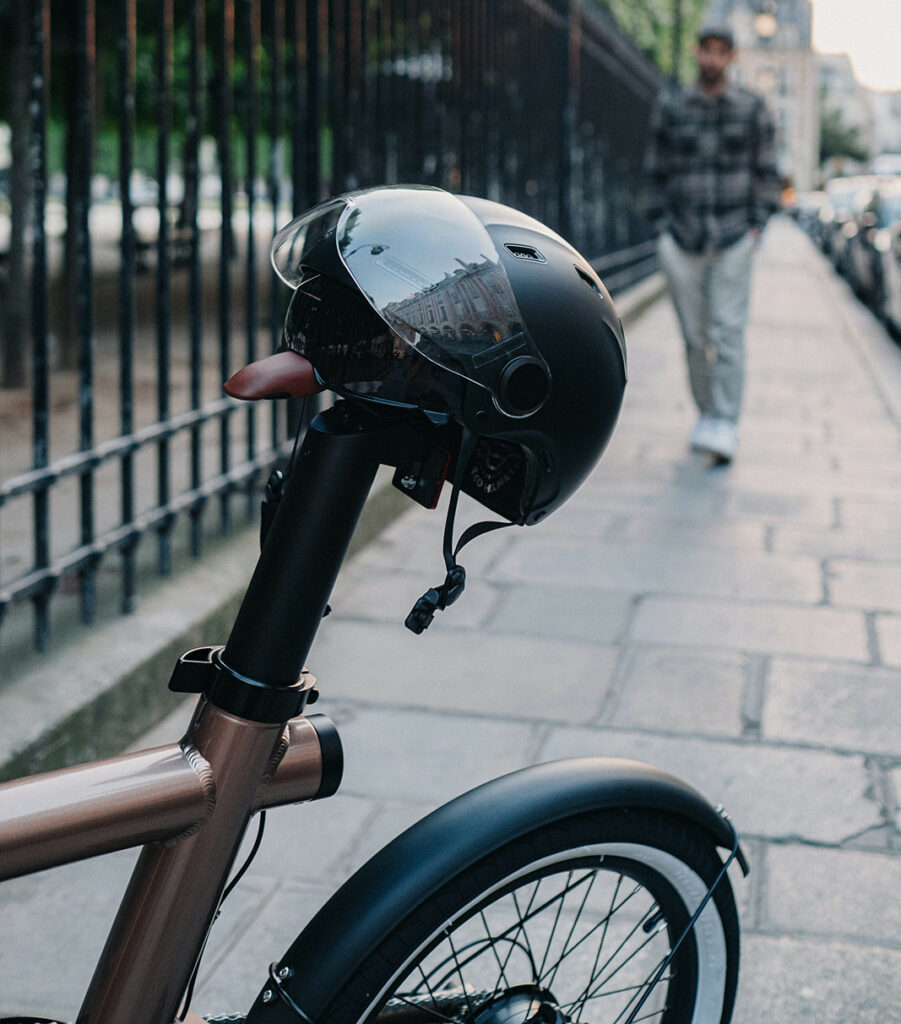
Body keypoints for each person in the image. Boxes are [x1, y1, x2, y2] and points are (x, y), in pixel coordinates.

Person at [644, 25, 781, 463]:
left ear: (732, 57)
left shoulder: (752, 108)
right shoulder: (671, 106)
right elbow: (655, 171)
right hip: (681, 237)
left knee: (728, 330)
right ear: (697, 52)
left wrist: (758, 224)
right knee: (693, 335)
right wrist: (661, 226)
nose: (714, 59)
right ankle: (707, 414)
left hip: (734, 235)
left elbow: (767, 171)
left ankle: (725, 420)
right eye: (708, 50)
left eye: (723, 52)